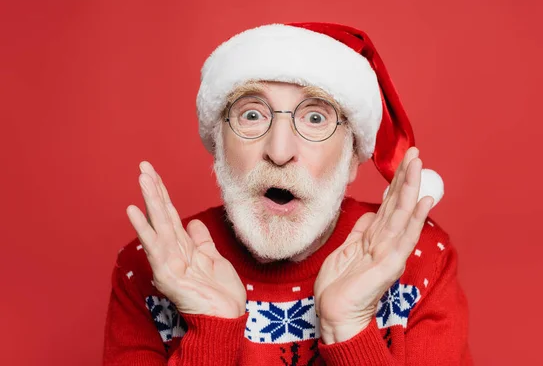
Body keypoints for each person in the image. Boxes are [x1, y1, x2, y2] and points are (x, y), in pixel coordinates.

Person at [103, 22, 472, 365]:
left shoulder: (417, 259)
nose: (279, 152)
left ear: (351, 157)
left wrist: (350, 329)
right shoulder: (154, 266)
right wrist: (210, 330)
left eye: (315, 118)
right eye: (252, 115)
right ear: (218, 144)